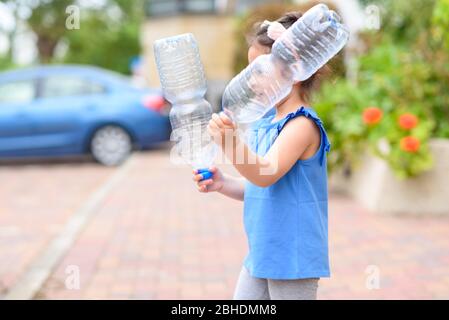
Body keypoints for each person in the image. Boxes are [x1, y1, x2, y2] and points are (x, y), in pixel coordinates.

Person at [193, 11, 331, 300]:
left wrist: (231, 144)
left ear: (294, 69)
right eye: (249, 72)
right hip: (262, 252)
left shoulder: (301, 125)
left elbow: (266, 173)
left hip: (292, 259)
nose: (251, 81)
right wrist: (224, 183)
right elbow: (259, 186)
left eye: (259, 70)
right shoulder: (266, 121)